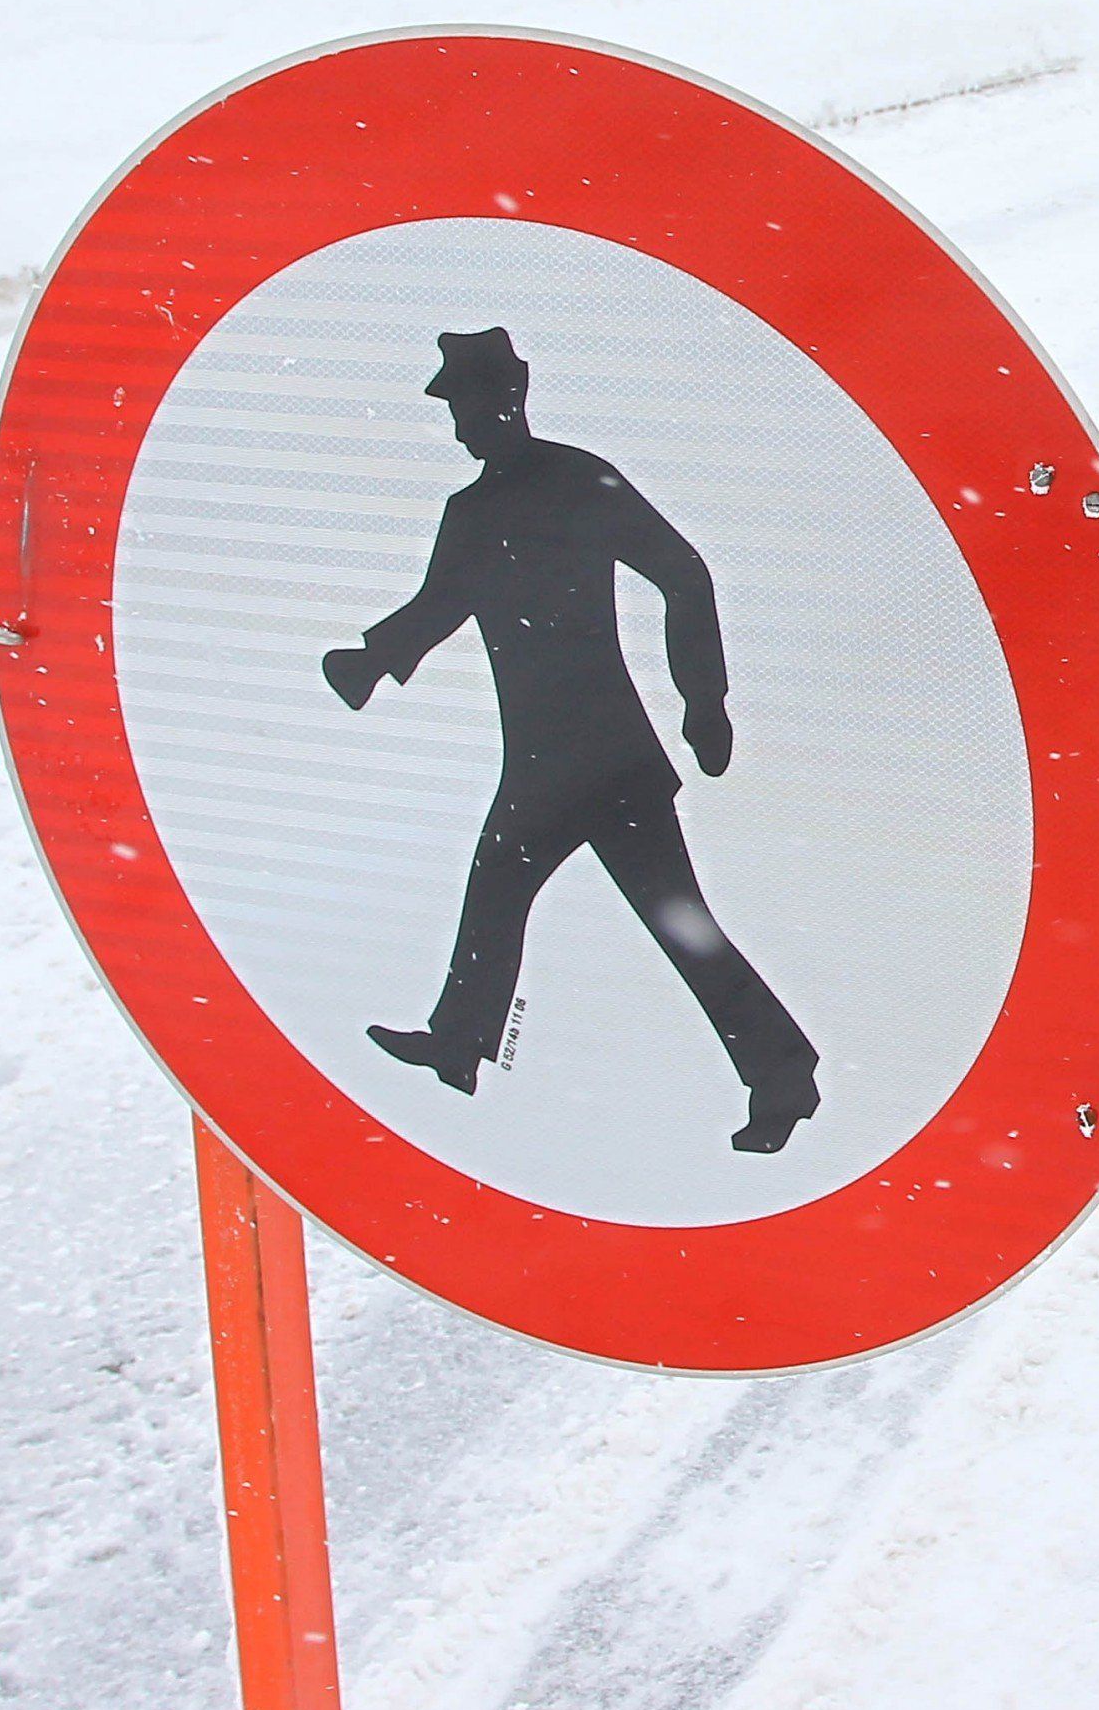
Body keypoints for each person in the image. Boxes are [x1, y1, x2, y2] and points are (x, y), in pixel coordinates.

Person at [322, 327, 821, 1154]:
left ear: (507, 401)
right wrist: (372, 659)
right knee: (507, 896)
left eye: (467, 406)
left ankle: (783, 1072)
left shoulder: (579, 481)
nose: (459, 425)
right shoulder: (471, 511)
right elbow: (439, 605)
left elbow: (683, 571)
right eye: (453, 411)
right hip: (546, 761)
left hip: (609, 759)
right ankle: (461, 1044)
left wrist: (705, 699)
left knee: (669, 921)